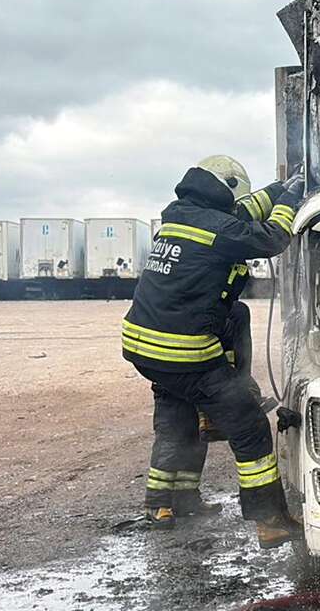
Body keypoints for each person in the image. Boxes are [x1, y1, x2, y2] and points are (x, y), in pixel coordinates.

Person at [122, 155, 303, 548]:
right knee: (250, 426)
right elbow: (272, 237)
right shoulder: (219, 229)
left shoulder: (182, 216)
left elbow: (242, 210)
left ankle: (169, 503)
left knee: (176, 417)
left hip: (144, 345)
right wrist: (292, 201)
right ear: (229, 188)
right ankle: (269, 519)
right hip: (183, 350)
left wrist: (279, 188)